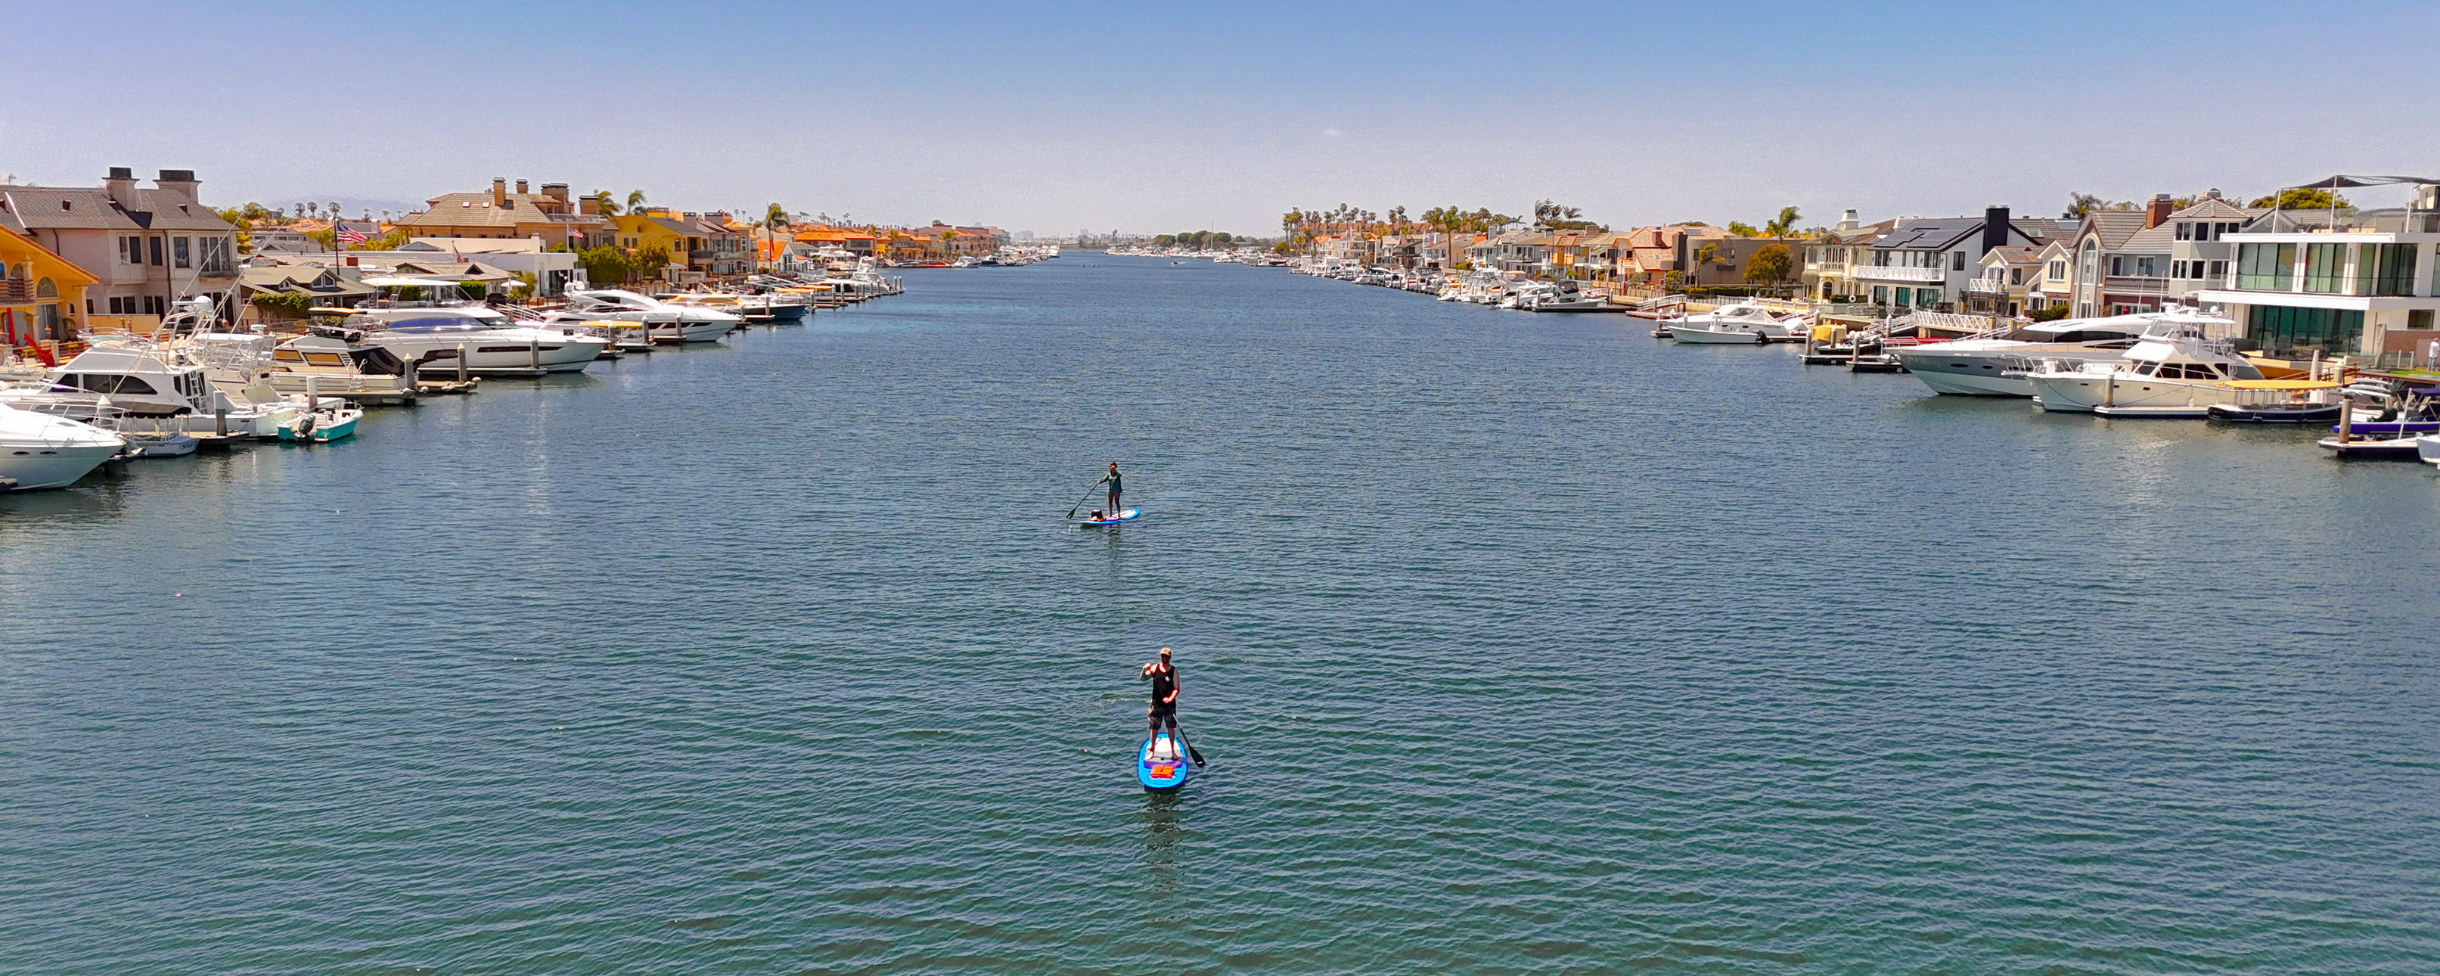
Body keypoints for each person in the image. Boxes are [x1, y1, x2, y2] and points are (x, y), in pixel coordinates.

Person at [1141, 646, 1180, 749]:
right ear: (1160, 657)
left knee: (1170, 727)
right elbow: (1143, 678)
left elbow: (1176, 689)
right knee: (1154, 728)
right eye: (1163, 656)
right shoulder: (1155, 668)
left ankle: (1172, 752)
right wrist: (1144, 669)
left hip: (1169, 705)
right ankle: (1152, 750)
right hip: (1156, 704)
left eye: (1166, 657)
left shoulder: (1173, 671)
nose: (1164, 658)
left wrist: (1170, 699)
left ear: (1170, 657)